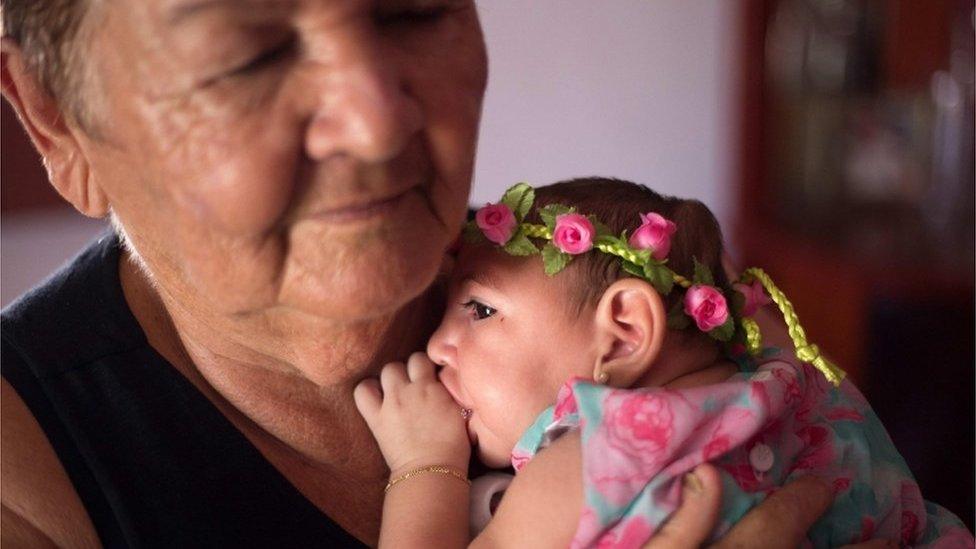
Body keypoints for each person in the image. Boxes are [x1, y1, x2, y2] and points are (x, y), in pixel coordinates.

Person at [0, 1, 900, 547]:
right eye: (246, 55)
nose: (378, 121)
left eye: (415, 8)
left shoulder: (597, 304)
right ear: (56, 125)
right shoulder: (26, 473)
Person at [354, 179, 974, 548]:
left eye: (481, 311)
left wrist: (425, 464)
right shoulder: (803, 384)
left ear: (624, 334)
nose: (437, 345)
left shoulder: (596, 459)